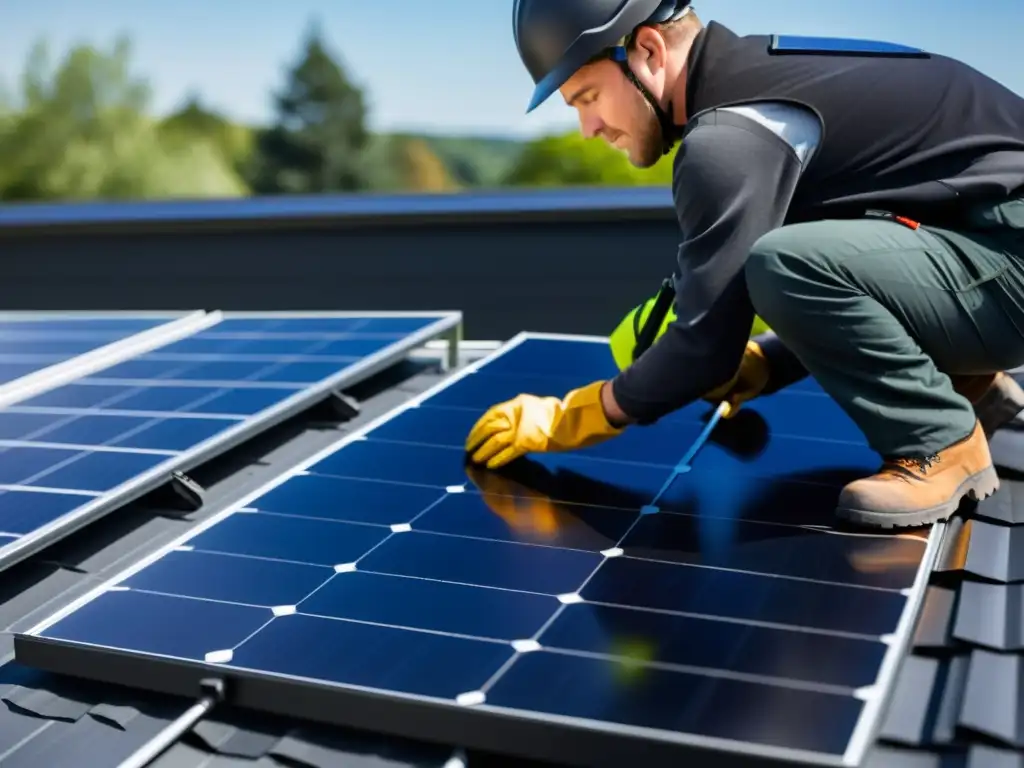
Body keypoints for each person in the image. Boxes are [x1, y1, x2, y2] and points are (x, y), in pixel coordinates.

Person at [465, 0, 1024, 529]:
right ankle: (968, 383)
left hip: (1008, 252)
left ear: (650, 52)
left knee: (784, 261)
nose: (588, 129)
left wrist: (571, 416)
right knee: (797, 253)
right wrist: (770, 362)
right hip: (994, 246)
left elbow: (707, 344)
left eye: (586, 97)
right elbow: (854, 261)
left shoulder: (728, 138)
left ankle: (940, 442)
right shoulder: (773, 81)